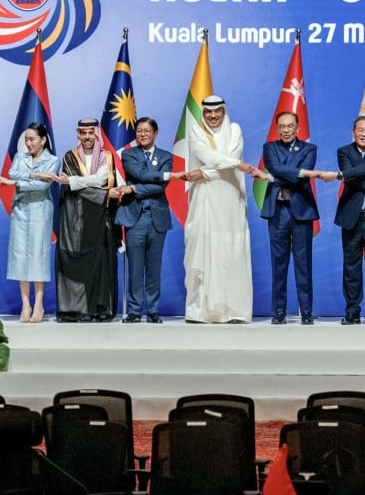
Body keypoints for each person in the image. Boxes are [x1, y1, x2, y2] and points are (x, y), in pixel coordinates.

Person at [184, 95, 257, 324]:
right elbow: (207, 156)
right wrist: (237, 165)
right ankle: (200, 310)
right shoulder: (196, 131)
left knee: (232, 251)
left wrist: (205, 172)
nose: (213, 116)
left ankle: (235, 310)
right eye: (208, 113)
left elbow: (228, 160)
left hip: (231, 200)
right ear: (204, 113)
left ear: (224, 112)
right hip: (204, 199)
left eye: (217, 112)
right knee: (202, 247)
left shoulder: (235, 129)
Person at [319, 116, 365, 325]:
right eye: (360, 130)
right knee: (351, 267)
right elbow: (356, 177)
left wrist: (339, 175)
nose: (364, 133)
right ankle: (352, 311)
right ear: (353, 132)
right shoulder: (344, 151)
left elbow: (364, 171)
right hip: (351, 217)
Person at [115, 117, 181, 324]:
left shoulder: (166, 156)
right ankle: (135, 310)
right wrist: (162, 175)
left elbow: (160, 187)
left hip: (157, 219)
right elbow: (140, 174)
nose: (142, 134)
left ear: (155, 133)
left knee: (154, 267)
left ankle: (152, 310)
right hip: (135, 218)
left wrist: (133, 188)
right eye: (139, 131)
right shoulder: (129, 154)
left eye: (147, 131)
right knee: (135, 267)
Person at [55, 118, 120, 322]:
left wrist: (74, 181)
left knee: (100, 264)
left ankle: (98, 309)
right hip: (76, 218)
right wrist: (99, 192)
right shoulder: (69, 157)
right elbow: (88, 188)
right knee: (76, 264)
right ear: (78, 134)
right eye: (83, 134)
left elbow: (102, 180)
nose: (87, 138)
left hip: (100, 220)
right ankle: (75, 311)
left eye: (91, 133)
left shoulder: (107, 157)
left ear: (97, 134)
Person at [259, 111, 320, 325]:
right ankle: (279, 311)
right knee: (279, 263)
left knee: (304, 264)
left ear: (298, 128)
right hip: (277, 210)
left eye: (290, 126)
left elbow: (305, 169)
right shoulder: (269, 148)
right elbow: (275, 167)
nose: (286, 130)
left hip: (301, 211)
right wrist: (298, 173)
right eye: (282, 126)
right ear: (277, 129)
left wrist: (279, 176)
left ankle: (306, 312)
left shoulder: (309, 149)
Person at [0, 122, 60, 323]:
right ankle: (25, 304)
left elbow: (42, 187)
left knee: (38, 255)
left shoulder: (53, 160)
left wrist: (18, 182)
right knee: (20, 256)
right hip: (21, 210)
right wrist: (34, 175)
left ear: (43, 140)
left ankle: (39, 304)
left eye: (32, 139)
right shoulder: (19, 157)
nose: (28, 143)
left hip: (40, 211)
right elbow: (13, 173)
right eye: (26, 140)